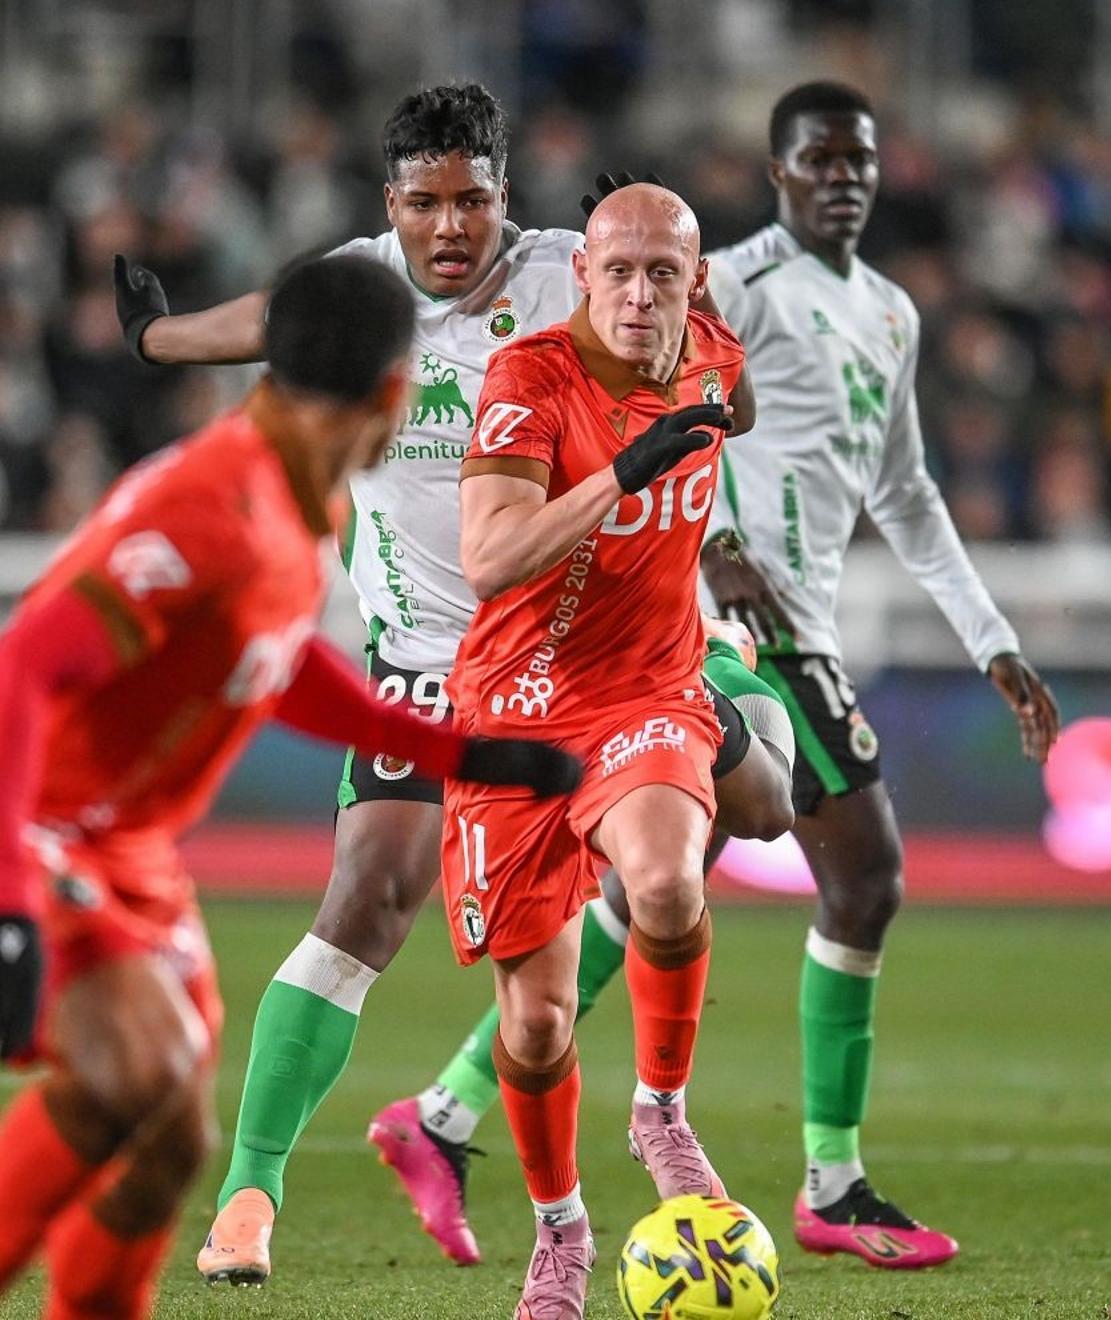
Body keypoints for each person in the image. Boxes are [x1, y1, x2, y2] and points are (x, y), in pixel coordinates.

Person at [111, 83, 785, 1283]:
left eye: (472, 198)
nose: (451, 227)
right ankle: (253, 1191)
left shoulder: (572, 272)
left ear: (504, 197)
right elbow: (275, 322)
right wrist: (160, 339)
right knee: (368, 898)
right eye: (425, 203)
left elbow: (691, 315)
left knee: (758, 808)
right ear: (392, 207)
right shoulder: (362, 292)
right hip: (434, 666)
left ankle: (537, 1088)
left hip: (601, 654)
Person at [0, 253, 579, 1320]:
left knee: (173, 1131)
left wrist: (463, 756)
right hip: (42, 833)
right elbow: (25, 665)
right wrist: (9, 900)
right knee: (133, 1072)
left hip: (129, 850)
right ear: (397, 392)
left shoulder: (288, 490)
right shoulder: (210, 507)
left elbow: (279, 658)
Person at [697, 81, 1061, 1267]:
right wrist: (716, 544)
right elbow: (647, 408)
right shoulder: (729, 282)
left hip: (806, 623)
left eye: (860, 160)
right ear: (778, 171)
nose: (844, 176)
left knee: (665, 881)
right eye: (820, 159)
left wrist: (992, 639)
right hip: (729, 624)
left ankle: (440, 1114)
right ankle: (833, 1184)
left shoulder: (894, 314)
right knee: (865, 879)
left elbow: (907, 495)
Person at [443, 180, 744, 1318]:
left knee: (665, 883)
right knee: (535, 1023)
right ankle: (560, 1229)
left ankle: (661, 1110)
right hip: (516, 708)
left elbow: (737, 407)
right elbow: (491, 558)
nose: (637, 293)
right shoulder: (530, 380)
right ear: (580, 278)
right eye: (616, 270)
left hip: (647, 688)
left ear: (694, 283)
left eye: (662, 272)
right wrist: (627, 469)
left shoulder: (715, 358)